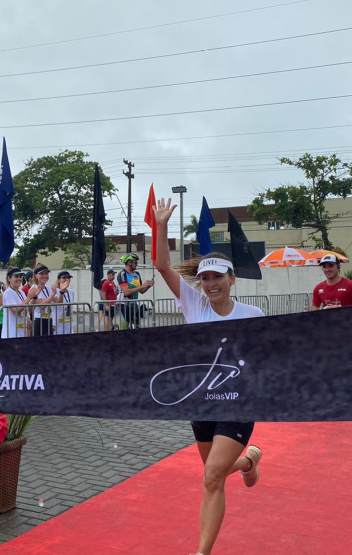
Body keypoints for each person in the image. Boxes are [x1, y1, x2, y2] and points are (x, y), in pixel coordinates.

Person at [152, 199, 264, 555]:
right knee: (216, 471)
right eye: (205, 278)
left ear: (232, 279)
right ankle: (248, 462)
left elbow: (267, 359)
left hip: (238, 402)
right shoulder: (193, 305)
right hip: (201, 401)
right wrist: (161, 226)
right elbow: (161, 264)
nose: (211, 284)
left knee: (212, 477)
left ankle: (202, 552)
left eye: (218, 277)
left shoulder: (253, 314)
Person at [117, 253, 153, 329]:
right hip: (124, 304)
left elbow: (142, 291)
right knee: (123, 328)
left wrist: (147, 286)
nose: (137, 265)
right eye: (135, 262)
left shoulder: (137, 274)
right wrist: (142, 286)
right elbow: (126, 292)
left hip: (134, 304)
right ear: (129, 263)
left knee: (137, 326)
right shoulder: (122, 274)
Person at [1, 267, 30, 339]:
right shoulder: (8, 292)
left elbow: (26, 309)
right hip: (11, 334)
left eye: (20, 276)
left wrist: (28, 319)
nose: (19, 279)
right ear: (9, 278)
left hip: (21, 332)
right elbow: (16, 310)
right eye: (16, 276)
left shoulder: (22, 292)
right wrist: (29, 298)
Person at [29, 264, 57, 337]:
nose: (44, 276)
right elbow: (42, 305)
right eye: (41, 273)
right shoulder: (34, 288)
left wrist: (62, 291)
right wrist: (53, 294)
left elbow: (58, 302)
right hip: (39, 320)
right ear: (36, 275)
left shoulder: (48, 287)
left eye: (46, 273)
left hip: (48, 319)